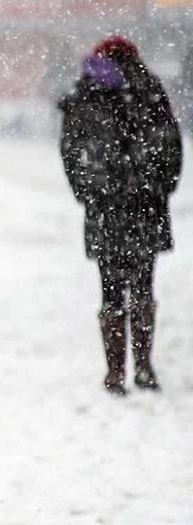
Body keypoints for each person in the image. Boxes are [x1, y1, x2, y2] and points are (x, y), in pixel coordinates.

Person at [59, 36, 182, 395]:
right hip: (146, 206)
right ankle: (143, 366)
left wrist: (88, 191)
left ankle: (115, 373)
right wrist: (159, 187)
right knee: (144, 285)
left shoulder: (87, 93)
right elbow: (171, 145)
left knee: (110, 290)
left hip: (105, 208)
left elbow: (71, 149)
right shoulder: (150, 89)